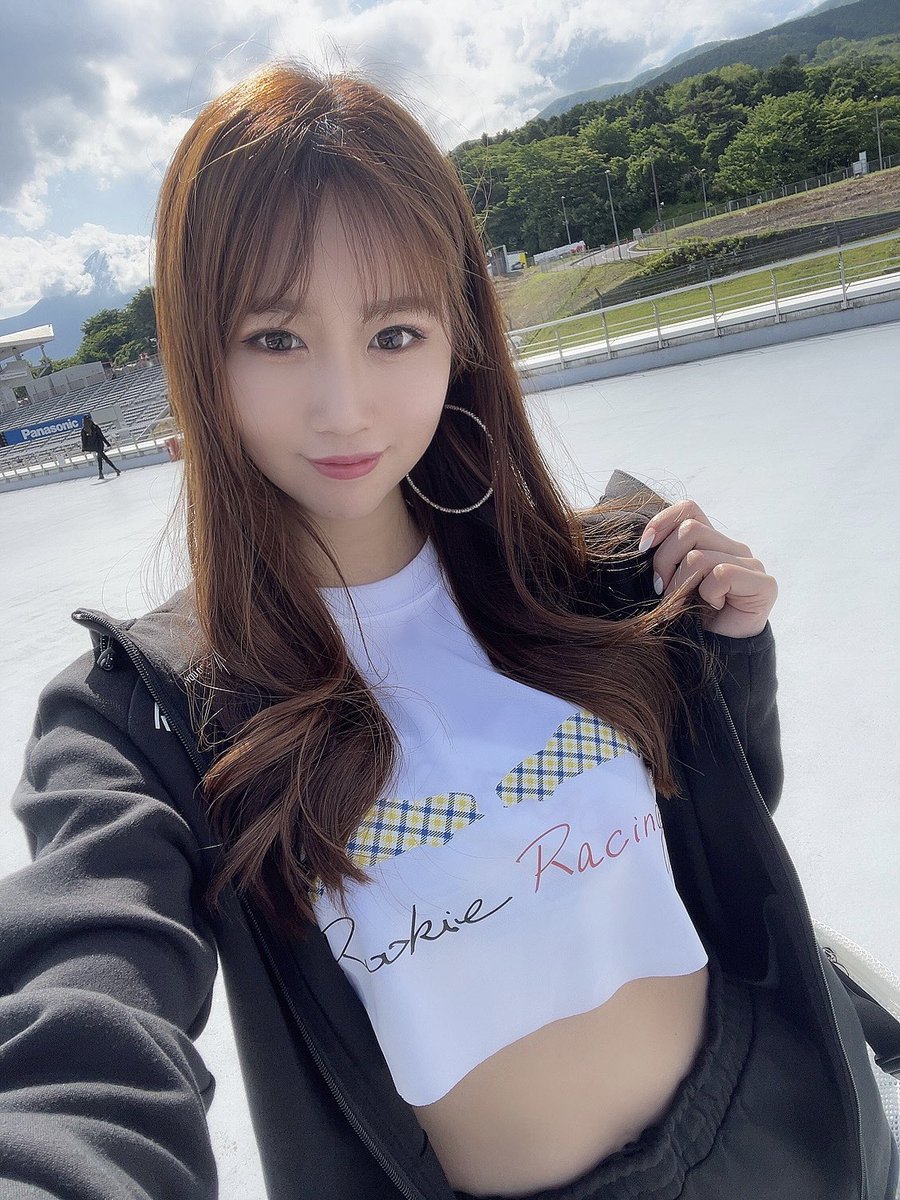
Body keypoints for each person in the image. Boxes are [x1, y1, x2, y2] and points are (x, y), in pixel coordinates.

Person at [0, 60, 896, 1200]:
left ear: (458, 336)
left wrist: (727, 648)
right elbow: (84, 1023)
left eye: (394, 333)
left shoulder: (591, 575)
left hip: (787, 1136)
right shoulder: (149, 719)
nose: (344, 408)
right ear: (198, 350)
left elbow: (712, 828)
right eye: (274, 337)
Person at [80, 411, 121, 477]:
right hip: (99, 444)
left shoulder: (84, 430)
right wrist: (107, 443)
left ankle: (101, 473)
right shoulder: (95, 427)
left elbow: (84, 440)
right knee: (103, 457)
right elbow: (101, 436)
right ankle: (115, 469)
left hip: (93, 446)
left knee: (100, 458)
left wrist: (84, 447)